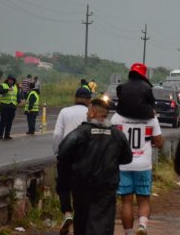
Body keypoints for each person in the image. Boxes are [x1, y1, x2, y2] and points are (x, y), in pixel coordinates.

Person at [57, 98, 133, 235]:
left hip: (82, 186)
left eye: (88, 111)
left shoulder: (80, 133)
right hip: (107, 187)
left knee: (82, 221)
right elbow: (127, 158)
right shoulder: (118, 135)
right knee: (104, 222)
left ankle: (67, 212)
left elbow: (62, 153)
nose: (86, 114)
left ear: (92, 112)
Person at [111, 91, 164, 235]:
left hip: (123, 165)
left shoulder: (117, 117)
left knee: (126, 201)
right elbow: (159, 143)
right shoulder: (151, 118)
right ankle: (142, 226)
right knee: (144, 200)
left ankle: (128, 232)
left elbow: (112, 140)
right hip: (143, 165)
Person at [53, 87, 93, 235]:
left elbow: (57, 134)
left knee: (63, 186)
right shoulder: (91, 113)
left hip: (66, 154)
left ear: (75, 98)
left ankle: (67, 213)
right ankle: (80, 219)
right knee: (82, 189)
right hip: (86, 157)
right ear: (89, 100)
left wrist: (58, 151)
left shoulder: (65, 112)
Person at [0, 74, 19, 140]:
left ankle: (7, 135)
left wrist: (19, 101)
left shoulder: (15, 86)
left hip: (12, 106)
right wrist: (7, 90)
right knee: (3, 121)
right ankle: (0, 134)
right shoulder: (3, 85)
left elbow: (17, 95)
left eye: (12, 80)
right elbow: (0, 91)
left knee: (10, 122)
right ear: (8, 79)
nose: (11, 81)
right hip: (5, 106)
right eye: (10, 80)